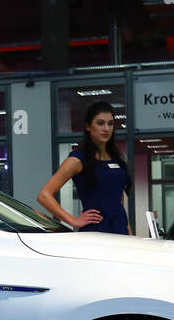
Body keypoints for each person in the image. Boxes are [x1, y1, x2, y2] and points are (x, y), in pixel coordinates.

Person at [36, 101, 132, 235]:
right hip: (96, 232)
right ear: (88, 126)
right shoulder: (77, 159)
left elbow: (119, 200)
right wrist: (74, 221)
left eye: (110, 123)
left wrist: (130, 233)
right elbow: (44, 195)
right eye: (100, 123)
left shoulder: (116, 159)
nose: (106, 128)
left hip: (121, 231)